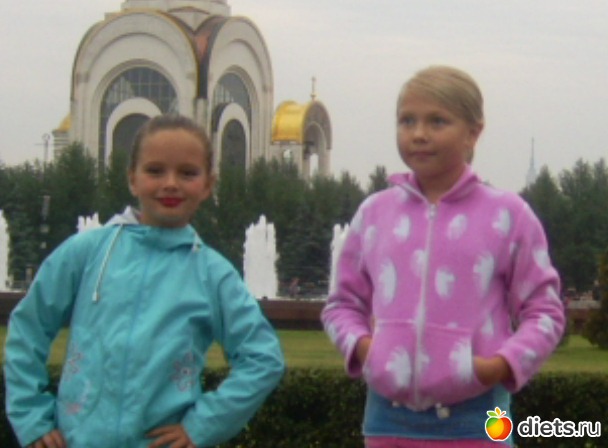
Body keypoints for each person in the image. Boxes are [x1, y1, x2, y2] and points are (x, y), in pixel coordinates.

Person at [4, 114, 285, 448]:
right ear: (132, 179)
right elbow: (29, 327)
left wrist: (202, 426)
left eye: (188, 173)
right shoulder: (86, 252)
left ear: (208, 185)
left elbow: (263, 358)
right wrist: (32, 418)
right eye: (155, 170)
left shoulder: (213, 274)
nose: (171, 183)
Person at [321, 66, 565, 447]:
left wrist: (500, 365)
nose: (418, 134)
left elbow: (545, 312)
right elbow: (341, 305)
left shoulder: (509, 216)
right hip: (388, 420)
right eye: (407, 120)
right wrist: (368, 350)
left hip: (479, 418)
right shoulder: (374, 214)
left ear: (473, 132)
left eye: (437, 121)